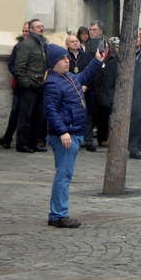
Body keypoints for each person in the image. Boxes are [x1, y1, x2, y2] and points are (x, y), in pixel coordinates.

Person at [43, 44, 105, 228]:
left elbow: (83, 77)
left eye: (67, 58)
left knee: (65, 173)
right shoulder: (53, 83)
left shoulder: (68, 77)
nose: (67, 60)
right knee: (64, 174)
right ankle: (58, 214)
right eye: (63, 59)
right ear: (54, 63)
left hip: (75, 131)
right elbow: (51, 111)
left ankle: (58, 213)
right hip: (66, 134)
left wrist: (97, 60)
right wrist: (63, 132)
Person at [14, 19, 48, 153]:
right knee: (25, 116)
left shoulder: (41, 43)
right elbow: (19, 67)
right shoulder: (26, 44)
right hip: (29, 86)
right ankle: (22, 144)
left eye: (42, 26)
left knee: (38, 117)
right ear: (32, 30)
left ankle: (33, 143)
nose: (41, 28)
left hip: (40, 85)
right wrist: (27, 83)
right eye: (38, 27)